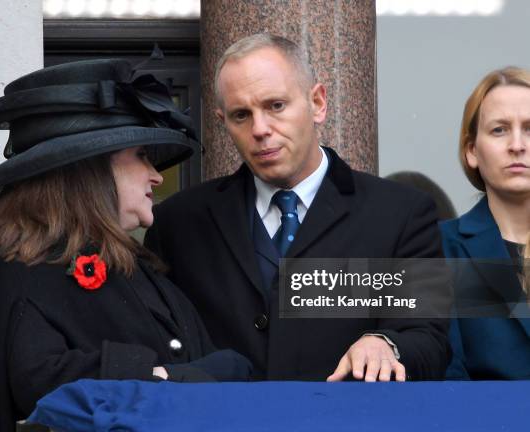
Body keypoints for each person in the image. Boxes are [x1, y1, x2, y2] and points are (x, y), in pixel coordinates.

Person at [0, 58, 252, 431]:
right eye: (142, 156)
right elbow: (37, 386)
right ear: (91, 169)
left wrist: (171, 376)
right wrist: (158, 374)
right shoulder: (14, 265)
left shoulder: (139, 267)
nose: (157, 176)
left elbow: (227, 367)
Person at [145, 34, 451, 382]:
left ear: (318, 102)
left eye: (275, 105)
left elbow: (430, 342)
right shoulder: (178, 223)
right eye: (241, 115)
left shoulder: (401, 214)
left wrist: (387, 344)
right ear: (222, 121)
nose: (260, 129)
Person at [440, 67, 530, 380]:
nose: (517, 145)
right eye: (499, 130)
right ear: (472, 152)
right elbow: (448, 374)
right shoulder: (440, 248)